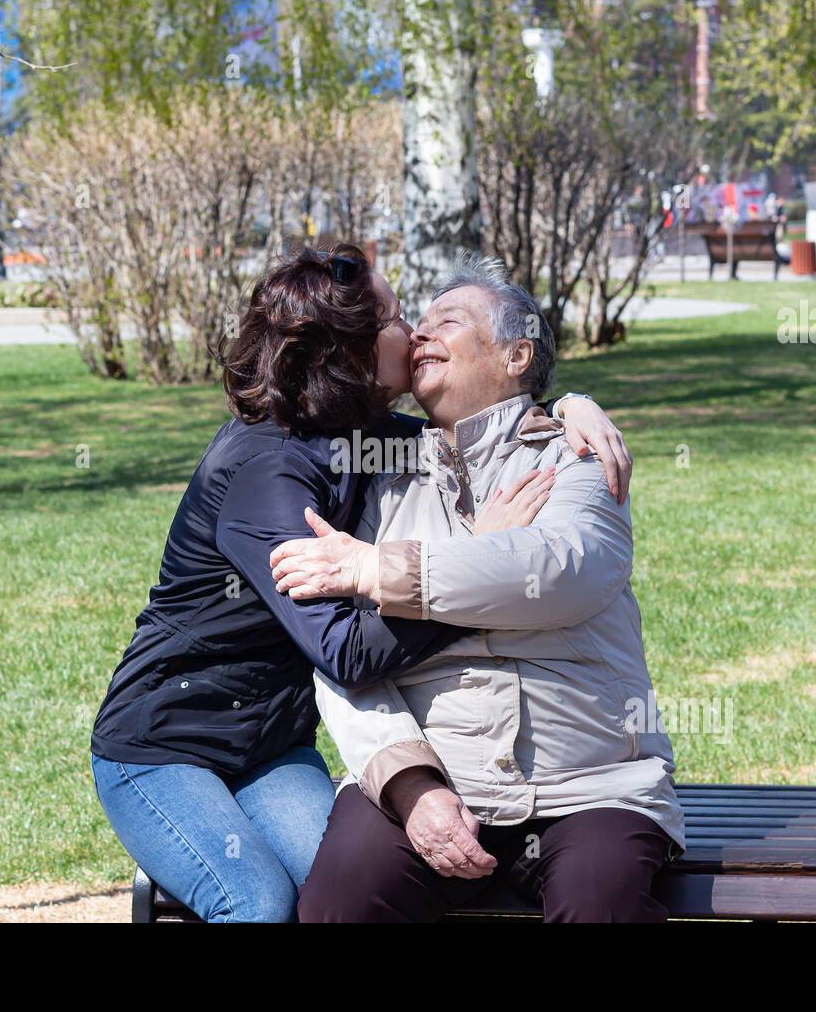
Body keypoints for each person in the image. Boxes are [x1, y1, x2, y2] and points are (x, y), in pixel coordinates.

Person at [88, 243, 632, 922]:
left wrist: (571, 404)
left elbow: (485, 425)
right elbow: (345, 648)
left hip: (270, 746)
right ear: (349, 350)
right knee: (256, 903)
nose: (415, 332)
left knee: (343, 883)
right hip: (165, 745)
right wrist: (478, 561)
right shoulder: (268, 470)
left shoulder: (364, 433)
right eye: (398, 317)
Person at [273, 255, 684, 923]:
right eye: (418, 324)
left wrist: (379, 570)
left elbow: (561, 569)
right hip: (437, 770)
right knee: (339, 903)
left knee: (600, 906)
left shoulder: (575, 456)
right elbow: (341, 657)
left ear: (517, 354)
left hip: (590, 781)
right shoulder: (381, 481)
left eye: (450, 320)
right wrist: (410, 786)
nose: (420, 335)